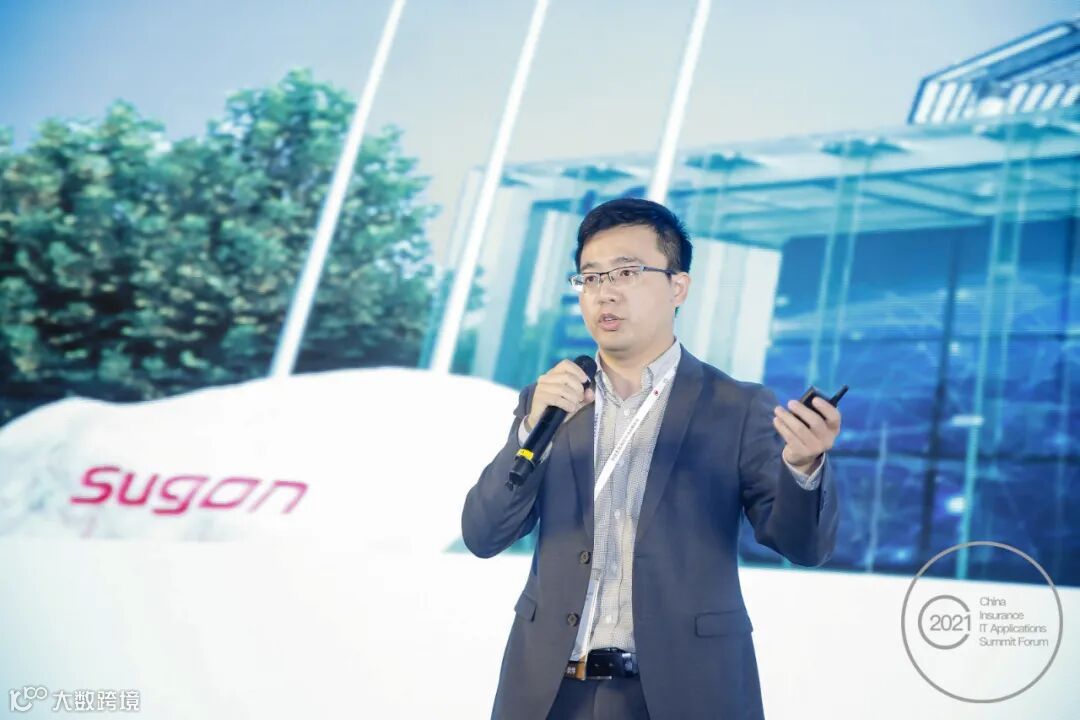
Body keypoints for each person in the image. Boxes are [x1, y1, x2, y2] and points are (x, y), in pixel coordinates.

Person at [461, 198, 841, 719]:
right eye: (591, 277)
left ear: (677, 287)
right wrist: (532, 429)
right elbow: (483, 534)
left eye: (626, 272)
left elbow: (804, 546)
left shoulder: (736, 406)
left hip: (684, 695)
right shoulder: (550, 400)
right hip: (550, 694)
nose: (606, 292)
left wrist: (803, 466)